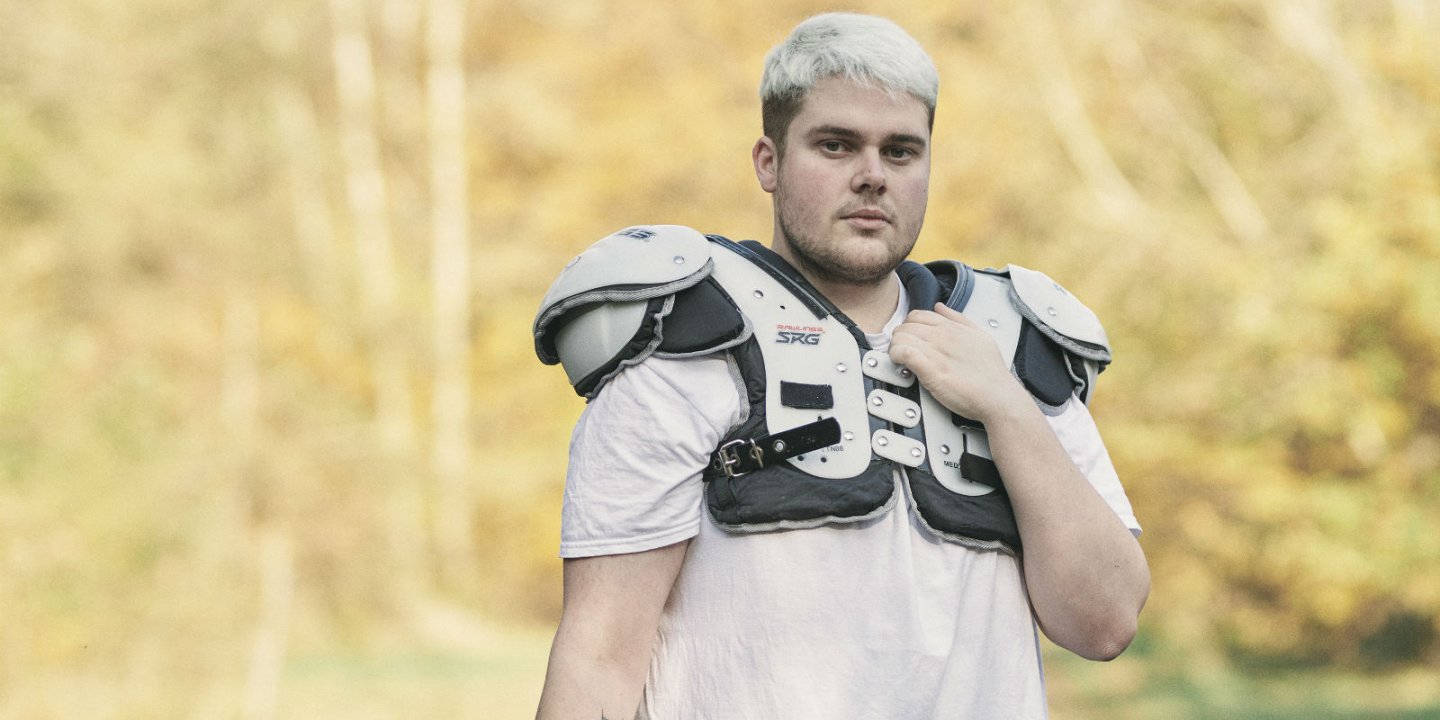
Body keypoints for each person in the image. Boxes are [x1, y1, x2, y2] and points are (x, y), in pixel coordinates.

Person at [532, 12, 1149, 719]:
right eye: (836, 145)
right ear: (769, 161)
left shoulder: (1007, 346)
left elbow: (1104, 624)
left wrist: (1005, 407)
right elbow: (601, 652)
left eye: (901, 151)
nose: (871, 177)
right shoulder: (683, 348)